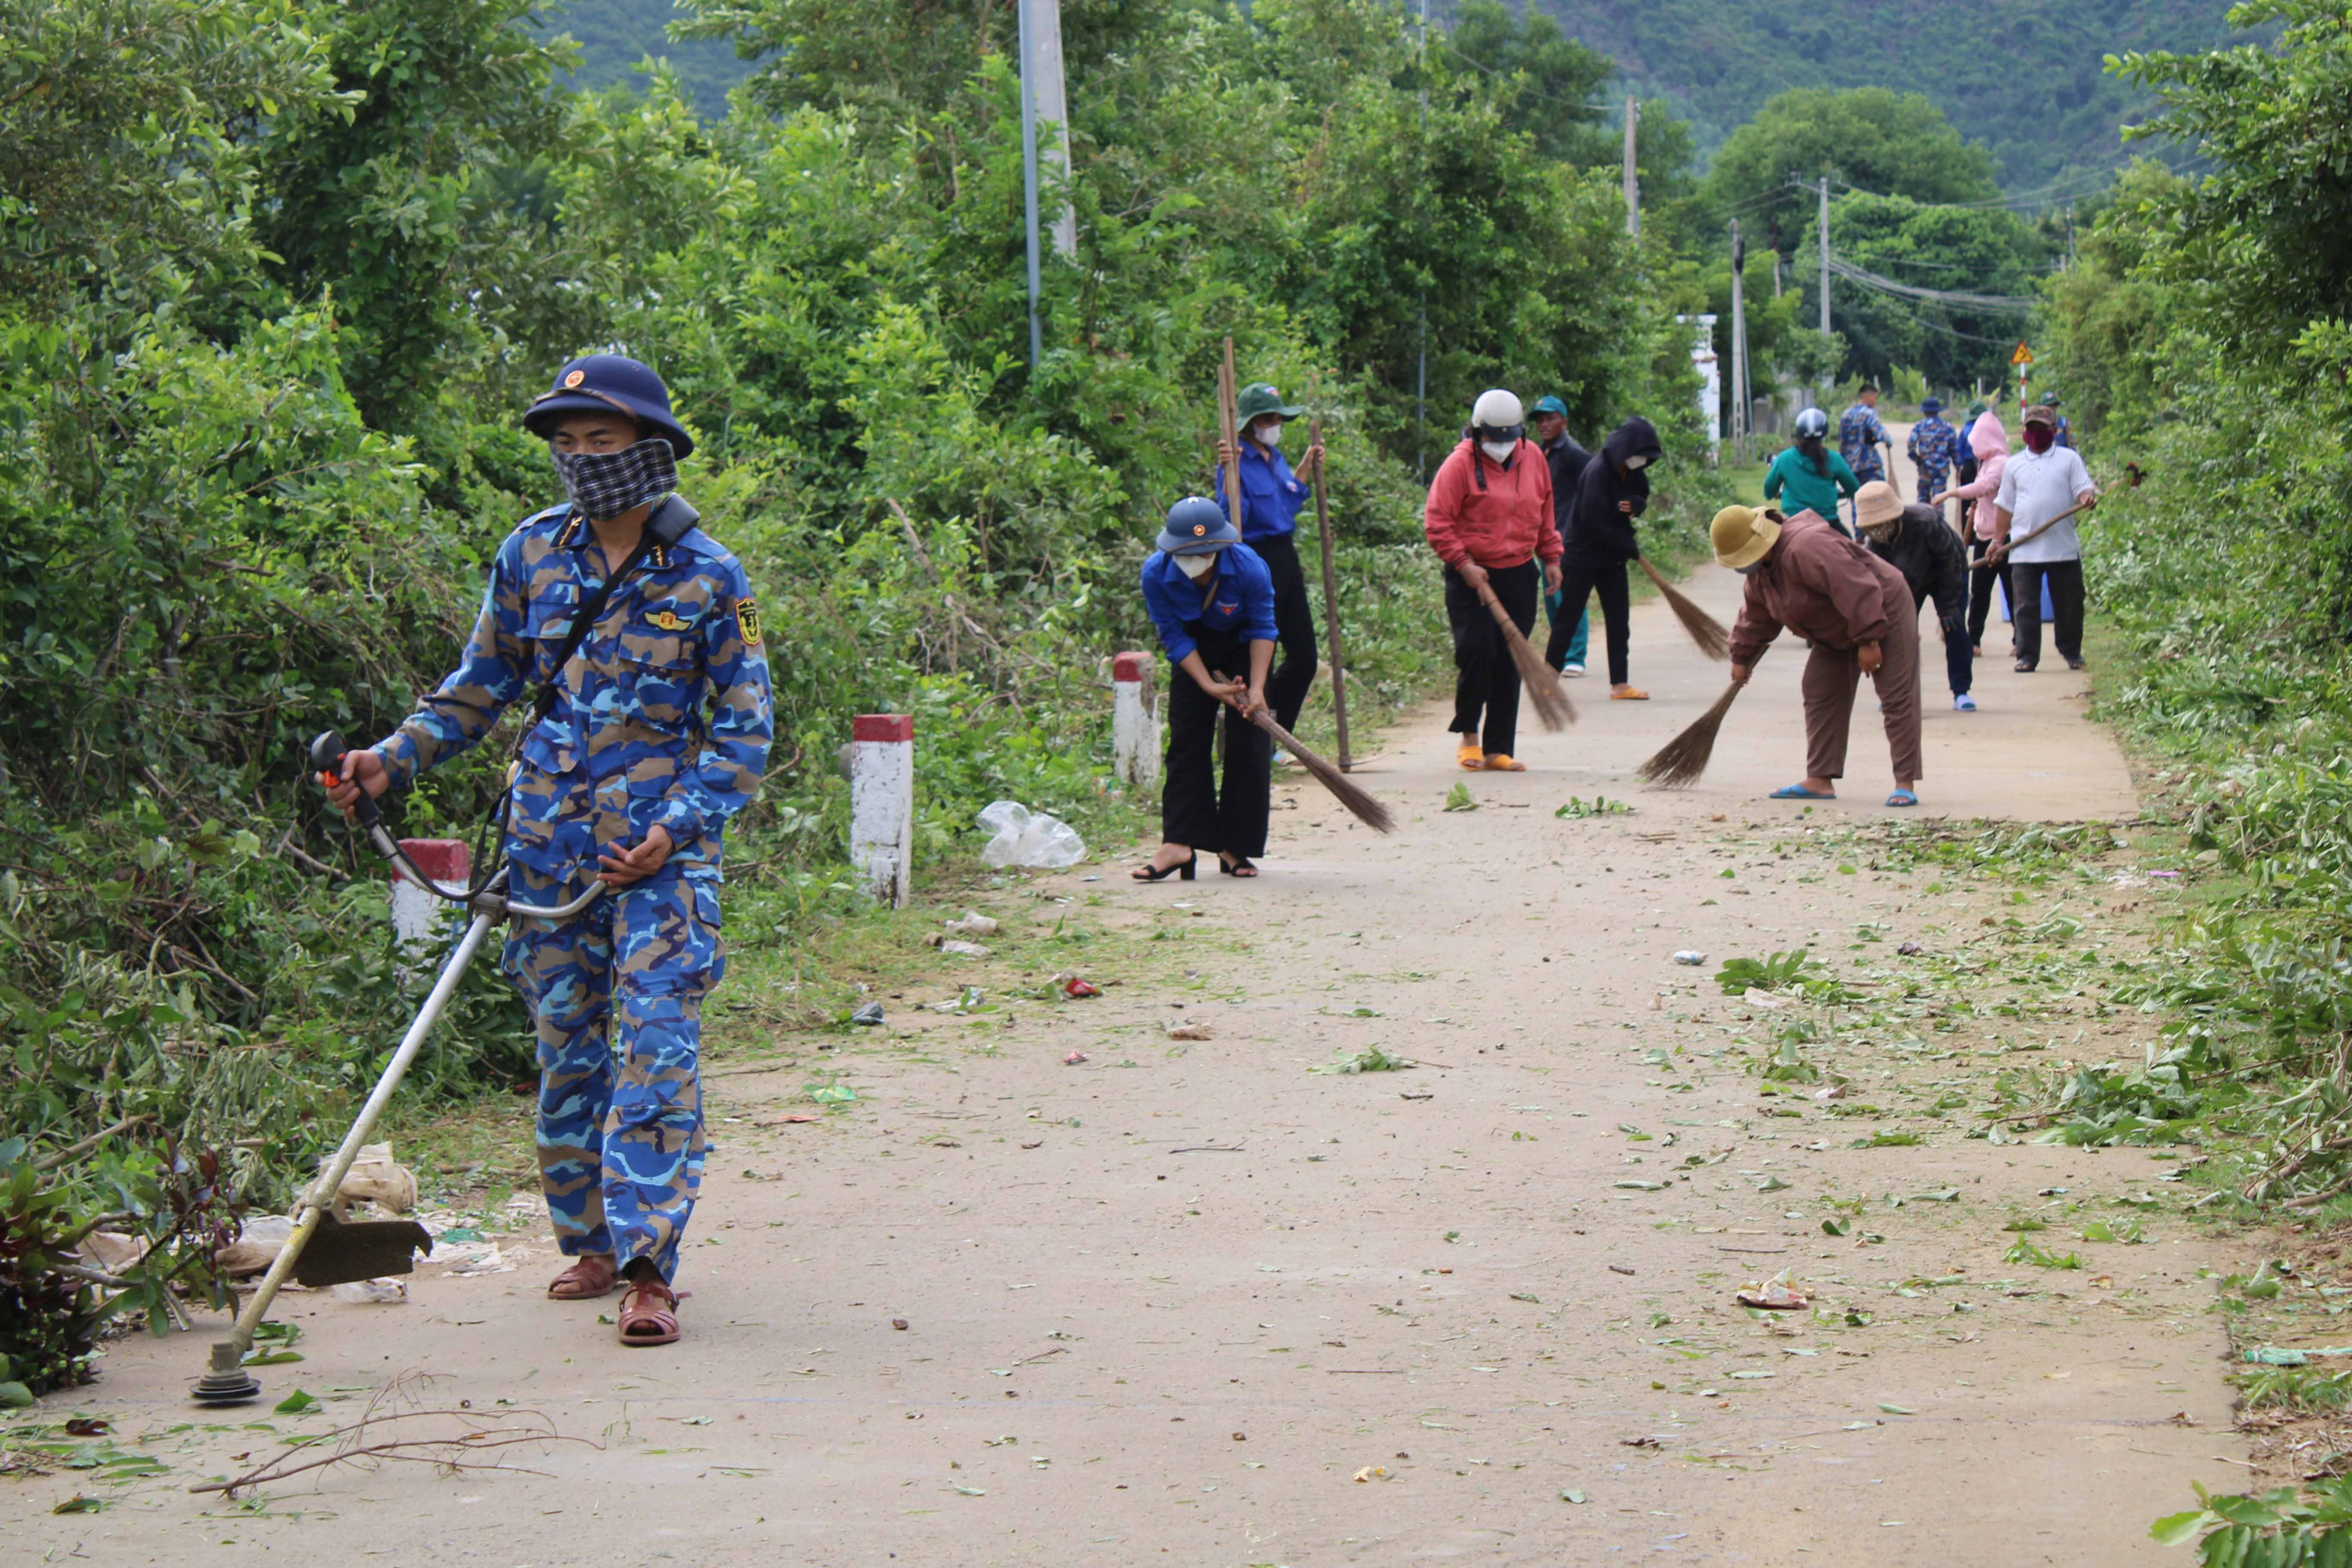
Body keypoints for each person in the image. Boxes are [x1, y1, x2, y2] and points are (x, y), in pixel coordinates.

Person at [321, 354, 773, 1348]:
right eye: (566, 446)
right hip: (548, 850)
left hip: (660, 857)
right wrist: (388, 763)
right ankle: (594, 1243)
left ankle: (652, 1269)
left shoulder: (710, 576)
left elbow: (744, 737)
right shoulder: (530, 555)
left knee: (655, 1047)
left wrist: (680, 826)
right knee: (569, 1047)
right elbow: (474, 690)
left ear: (648, 450)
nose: (581, 462)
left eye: (600, 444)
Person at [1716, 502, 1923, 808]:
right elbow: (1756, 617)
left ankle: (1904, 782)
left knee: (1895, 693)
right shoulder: (1762, 573)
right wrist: (1741, 657)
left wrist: (1868, 639)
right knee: (1819, 688)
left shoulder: (1807, 548)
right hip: (1833, 627)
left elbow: (1858, 587)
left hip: (1881, 608)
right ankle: (1820, 779)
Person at [1134, 496, 1278, 879]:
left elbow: (1264, 627)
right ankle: (1179, 843)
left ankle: (1235, 846)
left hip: (1245, 649)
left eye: (1206, 552)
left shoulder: (1249, 568)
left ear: (1220, 547)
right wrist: (1206, 685)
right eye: (1187, 553)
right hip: (1193, 651)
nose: (1197, 559)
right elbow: (1173, 636)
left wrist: (1258, 688)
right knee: (1186, 740)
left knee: (1249, 742)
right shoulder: (1155, 574)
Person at [1424, 389, 1564, 772]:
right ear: (1477, 432)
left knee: (1509, 661)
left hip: (1518, 572)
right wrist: (1462, 563)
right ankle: (1469, 736)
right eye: (1492, 439)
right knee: (1477, 653)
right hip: (1471, 574)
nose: (1500, 447)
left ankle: (1498, 747)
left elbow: (1545, 509)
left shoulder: (1533, 457)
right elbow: (1438, 522)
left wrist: (1550, 557)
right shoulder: (1458, 466)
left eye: (1509, 439)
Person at [1213, 382, 1326, 732]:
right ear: (1250, 422)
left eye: (1279, 417)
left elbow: (1287, 502)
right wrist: (1228, 471)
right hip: (1256, 558)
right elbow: (1231, 518)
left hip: (1285, 557)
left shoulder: (1274, 458)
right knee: (1262, 648)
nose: (1276, 424)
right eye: (1269, 418)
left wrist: (1306, 465)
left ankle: (1278, 730)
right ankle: (1260, 736)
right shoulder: (1234, 463)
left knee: (1305, 656)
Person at [1551, 416, 1664, 700]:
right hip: (1581, 557)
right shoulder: (1597, 472)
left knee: (1618, 620)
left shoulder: (1632, 470)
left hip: (1612, 559)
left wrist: (1638, 505)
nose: (1643, 462)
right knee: (1568, 617)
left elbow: (1642, 493)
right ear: (1626, 449)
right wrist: (1627, 544)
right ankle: (1547, 679)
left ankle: (1620, 684)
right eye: (1640, 456)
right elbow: (1591, 521)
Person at [1989, 404, 2098, 672]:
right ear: (2025, 431)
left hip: (2063, 549)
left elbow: (2084, 488)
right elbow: (2005, 506)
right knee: (2025, 606)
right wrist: (1997, 540)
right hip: (2025, 550)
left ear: (2054, 431)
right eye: (2032, 428)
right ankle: (2027, 657)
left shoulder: (2069, 459)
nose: (2037, 433)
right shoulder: (2014, 465)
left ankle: (2072, 652)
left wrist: (2086, 497)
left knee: (2070, 604)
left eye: (2043, 429)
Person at [1855, 481, 1975, 711]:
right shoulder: (1873, 549)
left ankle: (1961, 691)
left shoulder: (1926, 521)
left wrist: (1948, 606)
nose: (1878, 529)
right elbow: (1877, 589)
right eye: (1873, 526)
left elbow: (1949, 562)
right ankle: (1900, 692)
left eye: (1883, 523)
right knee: (1900, 637)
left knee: (1955, 629)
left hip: (1947, 573)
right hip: (1907, 584)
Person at [1936, 408, 2008, 658]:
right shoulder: (1985, 462)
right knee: (1979, 591)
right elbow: (1984, 495)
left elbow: (1984, 487)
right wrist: (1975, 513)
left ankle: (2021, 641)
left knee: (2013, 590)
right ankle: (1974, 639)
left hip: (2004, 537)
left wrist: (1951, 493)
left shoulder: (2001, 463)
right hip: (1983, 535)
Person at [1531, 394, 1592, 678]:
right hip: (1546, 538)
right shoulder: (1540, 453)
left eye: (1550, 419)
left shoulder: (1573, 453)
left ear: (1564, 422)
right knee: (1552, 597)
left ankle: (1575, 656)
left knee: (1569, 597)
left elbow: (1596, 484)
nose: (1544, 425)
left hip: (1569, 537)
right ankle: (1561, 651)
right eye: (1540, 420)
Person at [1762, 408, 1860, 538]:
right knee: (1853, 554)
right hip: (1829, 525)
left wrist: (1778, 494)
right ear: (1824, 436)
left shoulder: (1785, 458)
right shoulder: (1834, 459)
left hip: (1794, 526)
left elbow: (1768, 491)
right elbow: (1855, 490)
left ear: (1798, 435)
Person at [1905, 396, 1962, 508]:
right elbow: (1954, 451)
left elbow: (1911, 445)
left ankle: (1922, 524)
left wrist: (1917, 460)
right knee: (1939, 501)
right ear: (1938, 411)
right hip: (1941, 471)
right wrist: (1958, 467)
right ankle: (1937, 523)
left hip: (1925, 469)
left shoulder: (1919, 426)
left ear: (1925, 412)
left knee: (1923, 502)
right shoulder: (1948, 428)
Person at [1838, 381, 1890, 495]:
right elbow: (1882, 435)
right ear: (1868, 397)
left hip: (1851, 465)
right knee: (1880, 496)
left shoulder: (1846, 414)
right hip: (1869, 464)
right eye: (1875, 399)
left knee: (1857, 497)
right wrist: (1888, 441)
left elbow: (1842, 440)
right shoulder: (1869, 413)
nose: (1876, 402)